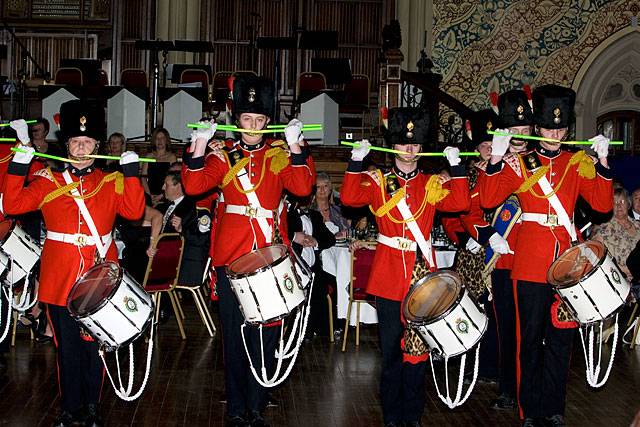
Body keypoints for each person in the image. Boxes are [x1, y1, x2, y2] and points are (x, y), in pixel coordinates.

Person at [181, 75, 314, 427]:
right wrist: (198, 147)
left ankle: (257, 406)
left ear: (267, 122)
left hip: (269, 259)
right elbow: (194, 185)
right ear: (236, 120)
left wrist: (297, 147)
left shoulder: (278, 155)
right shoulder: (223, 156)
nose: (253, 128)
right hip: (230, 260)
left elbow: (302, 187)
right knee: (235, 335)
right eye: (246, 120)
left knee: (266, 334)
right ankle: (236, 409)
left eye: (259, 121)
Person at [478, 84, 613, 427]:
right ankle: (529, 410)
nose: (555, 134)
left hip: (567, 266)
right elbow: (489, 200)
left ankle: (554, 408)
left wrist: (602, 164)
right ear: (537, 128)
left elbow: (602, 206)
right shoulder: (520, 164)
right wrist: (495, 159)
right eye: (549, 127)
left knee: (560, 340)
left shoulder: (576, 162)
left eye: (561, 127)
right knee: (528, 341)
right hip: (530, 264)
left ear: (568, 129)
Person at [3, 101, 145, 427]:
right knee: (66, 350)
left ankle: (93, 408)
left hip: (99, 280)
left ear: (98, 145)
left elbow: (135, 213)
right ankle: (70, 410)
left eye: (88, 142)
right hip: (60, 278)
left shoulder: (110, 181)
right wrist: (19, 168)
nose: (82, 148)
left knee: (95, 348)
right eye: (76, 143)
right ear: (66, 145)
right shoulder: (47, 180)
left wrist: (132, 174)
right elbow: (12, 204)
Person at [340, 107, 470, 427]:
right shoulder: (378, 179)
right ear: (393, 145)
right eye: (403, 143)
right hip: (387, 279)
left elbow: (461, 204)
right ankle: (391, 417)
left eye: (415, 145)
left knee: (419, 354)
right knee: (391, 354)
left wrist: (456, 167)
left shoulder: (431, 183)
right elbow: (349, 197)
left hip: (422, 277)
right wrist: (356, 163)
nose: (409, 150)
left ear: (421, 148)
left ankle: (412, 417)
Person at [287, 193, 336, 338]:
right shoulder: (287, 213)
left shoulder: (314, 215)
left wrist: (315, 241)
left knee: (331, 282)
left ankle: (323, 329)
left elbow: (330, 238)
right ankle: (296, 332)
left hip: (313, 269)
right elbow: (279, 231)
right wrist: (296, 237)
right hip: (293, 267)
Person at [591, 188, 640, 279]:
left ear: (628, 204)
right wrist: (622, 269)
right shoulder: (603, 229)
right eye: (614, 202)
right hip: (625, 281)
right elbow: (594, 255)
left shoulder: (638, 225)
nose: (618, 205)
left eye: (622, 201)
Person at [141, 127, 177, 205]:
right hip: (149, 194)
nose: (159, 141)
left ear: (166, 140)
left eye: (162, 138)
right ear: (154, 140)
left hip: (165, 195)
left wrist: (162, 195)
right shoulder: (149, 156)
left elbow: (174, 180)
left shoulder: (172, 157)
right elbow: (143, 178)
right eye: (157, 138)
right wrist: (149, 195)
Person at [312, 172, 349, 237]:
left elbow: (347, 231)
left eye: (325, 186)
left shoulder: (338, 210)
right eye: (318, 186)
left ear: (330, 189)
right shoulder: (309, 212)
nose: (322, 190)